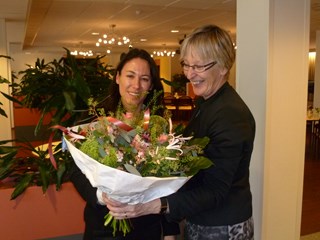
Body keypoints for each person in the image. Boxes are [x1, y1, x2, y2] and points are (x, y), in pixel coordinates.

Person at [103, 25, 256, 240]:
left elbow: (215, 190)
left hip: (221, 226)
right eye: (187, 64)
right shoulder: (207, 102)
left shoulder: (229, 114)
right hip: (201, 219)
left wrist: (153, 206)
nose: (189, 74)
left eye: (199, 66)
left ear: (223, 67)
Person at [69, 48, 180, 240]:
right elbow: (74, 169)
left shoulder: (158, 126)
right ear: (118, 77)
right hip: (102, 225)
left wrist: (170, 232)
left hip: (145, 226)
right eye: (130, 75)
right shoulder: (95, 120)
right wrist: (101, 197)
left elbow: (167, 183)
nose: (136, 85)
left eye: (144, 79)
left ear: (151, 85)